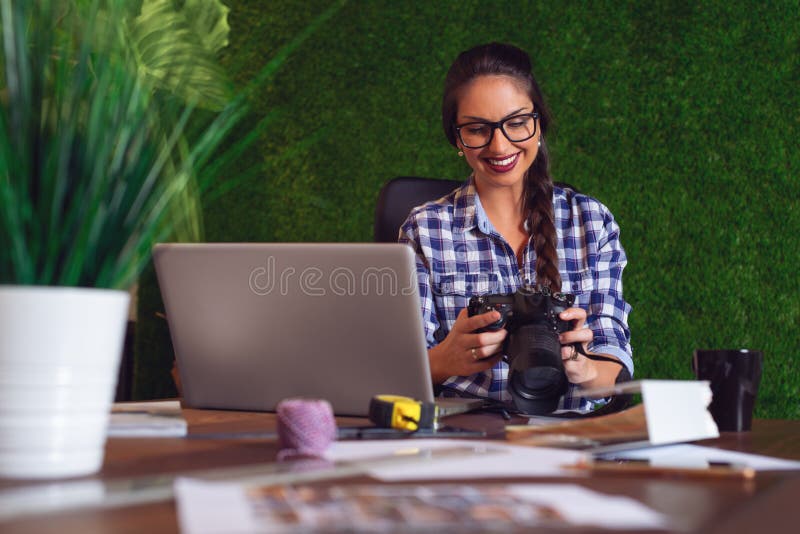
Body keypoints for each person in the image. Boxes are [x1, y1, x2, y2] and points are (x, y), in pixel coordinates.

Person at [399, 42, 632, 412]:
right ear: (456, 139)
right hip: (467, 437)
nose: (500, 144)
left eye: (517, 123)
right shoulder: (425, 230)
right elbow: (399, 373)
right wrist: (449, 357)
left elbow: (614, 369)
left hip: (570, 439)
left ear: (538, 124)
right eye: (477, 129)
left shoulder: (591, 222)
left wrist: (579, 365)